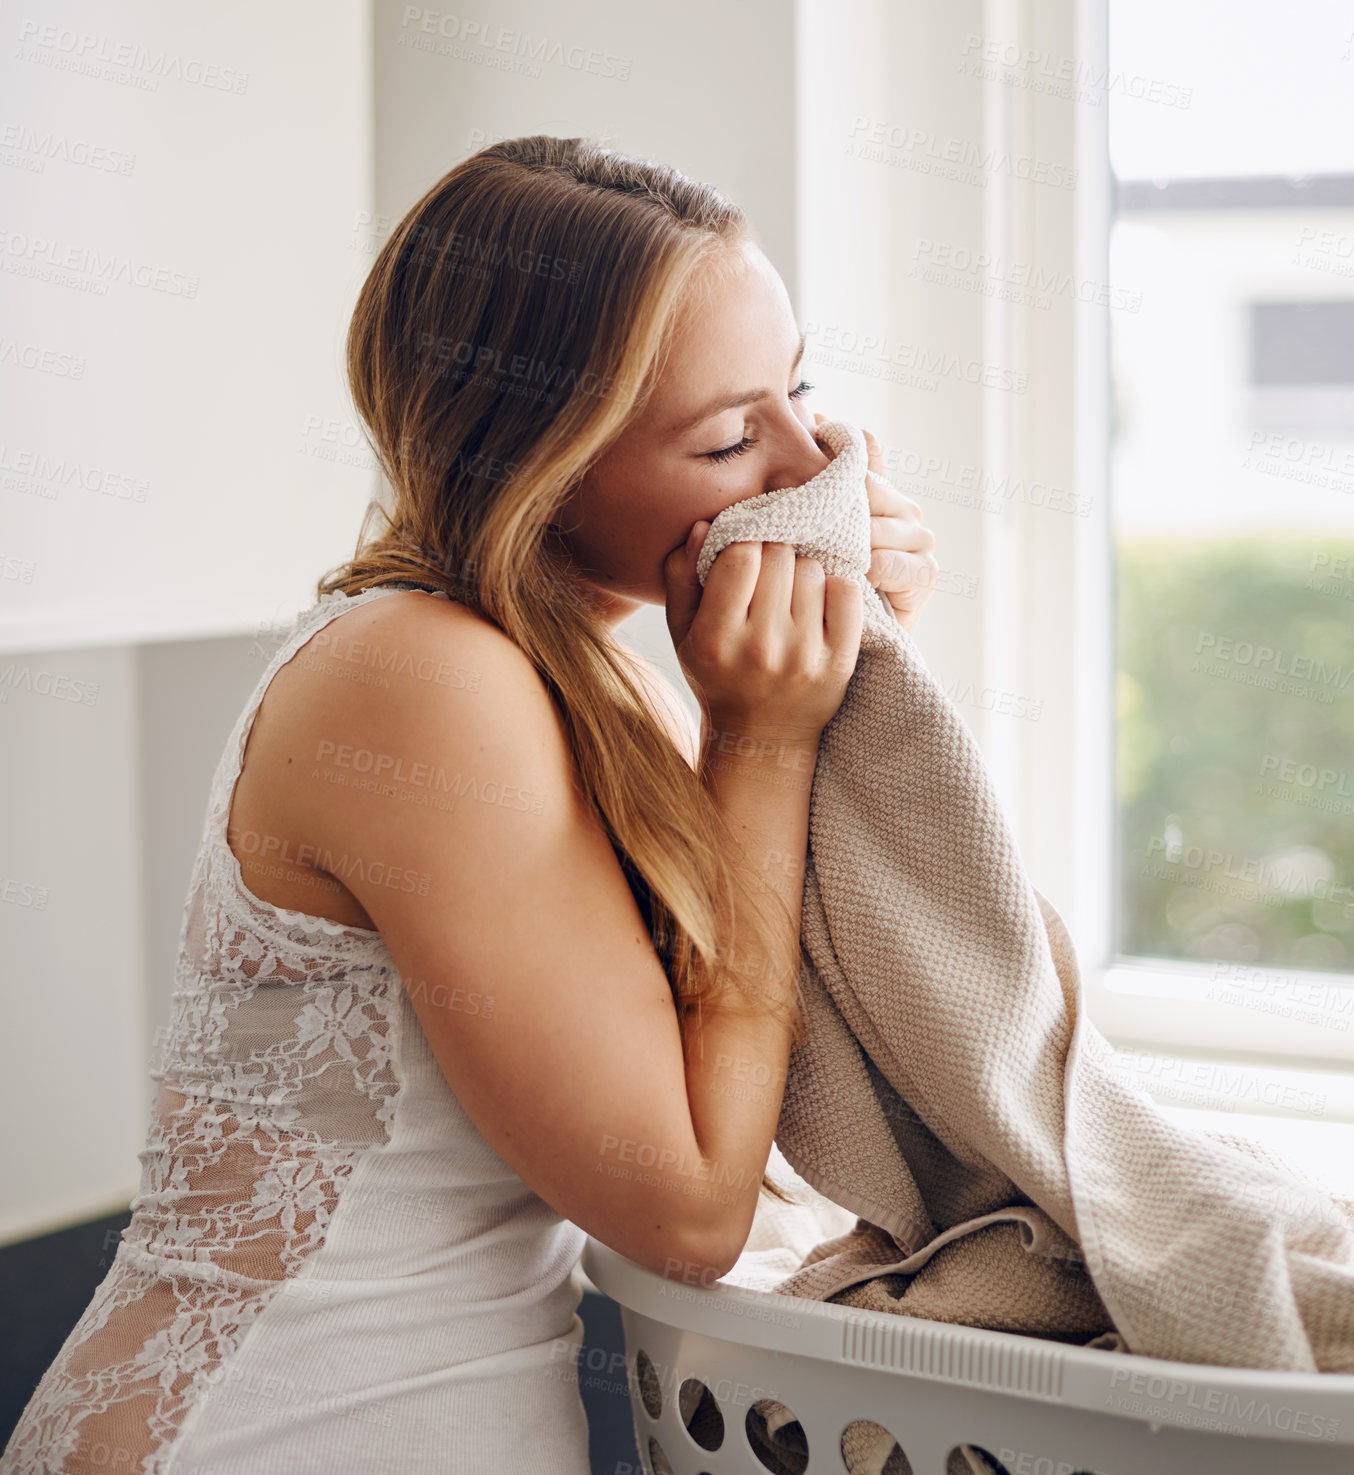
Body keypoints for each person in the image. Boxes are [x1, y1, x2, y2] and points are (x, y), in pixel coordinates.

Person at [1, 134, 937, 1475]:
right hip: (268, 1432)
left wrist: (862, 676)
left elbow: (788, 1005)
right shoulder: (421, 678)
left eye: (800, 393)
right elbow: (677, 1209)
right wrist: (764, 739)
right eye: (731, 435)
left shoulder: (601, 664)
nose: (807, 464)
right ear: (542, 465)